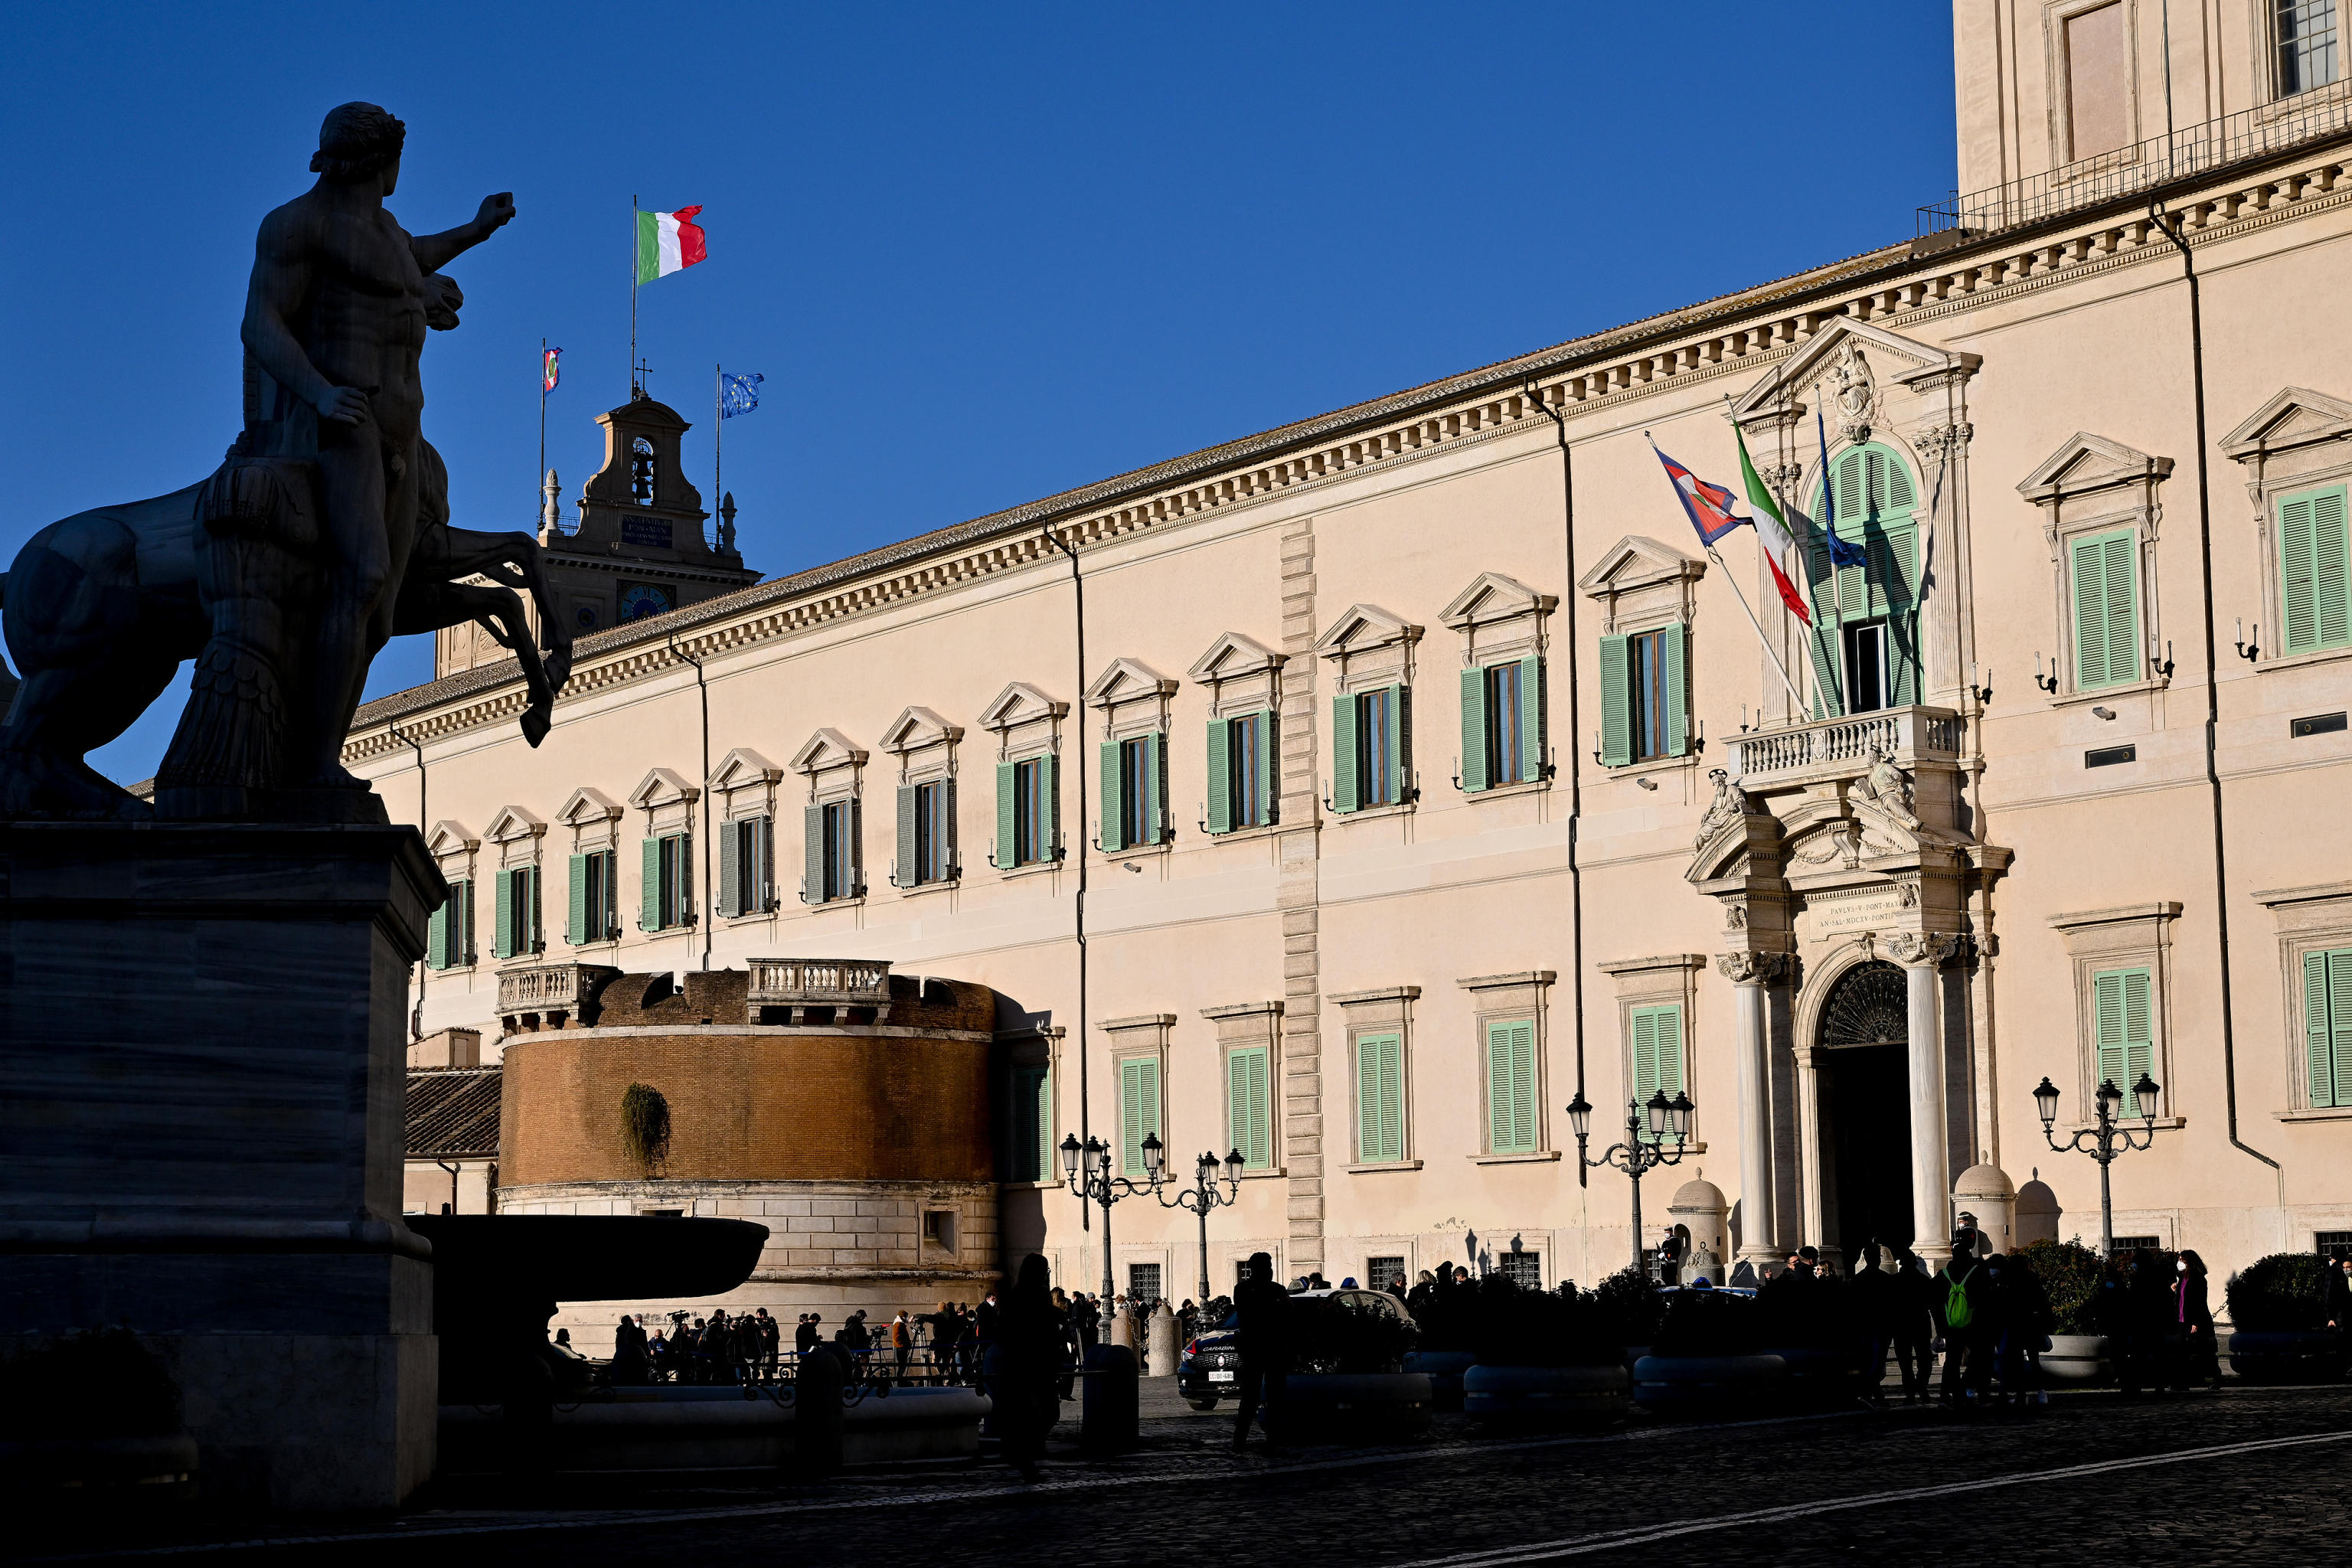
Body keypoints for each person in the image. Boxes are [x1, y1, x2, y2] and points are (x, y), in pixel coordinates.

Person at [239, 104, 516, 798]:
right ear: (380, 162)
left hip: (400, 428)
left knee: (385, 609)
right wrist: (320, 393)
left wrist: (476, 232)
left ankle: (320, 751)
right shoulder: (295, 225)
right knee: (361, 579)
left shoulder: (385, 231)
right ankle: (311, 767)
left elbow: (411, 260)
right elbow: (260, 325)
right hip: (347, 423)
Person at [993, 1254, 1067, 1483]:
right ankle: (1023, 1455)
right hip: (1035, 1362)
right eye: (1044, 1270)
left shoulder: (1014, 1294)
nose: (1046, 1274)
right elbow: (1041, 1321)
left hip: (1018, 1362)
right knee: (1046, 1412)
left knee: (1027, 1414)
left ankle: (1021, 1456)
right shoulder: (1038, 1293)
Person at [1232, 1251, 1292, 1453]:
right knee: (1252, 1397)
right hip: (1261, 1348)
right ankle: (1241, 1441)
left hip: (1267, 1349)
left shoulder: (1250, 1290)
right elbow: (1274, 1314)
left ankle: (1270, 1439)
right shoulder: (1247, 1290)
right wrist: (1273, 1307)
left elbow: (1285, 1313)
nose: (1270, 1270)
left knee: (1272, 1397)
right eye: (1267, 1267)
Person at [1890, 1247, 1938, 1403]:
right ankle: (1921, 1388)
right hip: (1919, 1324)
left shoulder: (1894, 1281)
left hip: (1902, 1326)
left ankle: (1911, 1392)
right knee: (1924, 1361)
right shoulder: (1924, 1281)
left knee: (1905, 1363)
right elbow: (1933, 1306)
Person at [2174, 1250, 2218, 1390]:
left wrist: (2196, 1322)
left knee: (2204, 1352)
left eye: (2183, 1260)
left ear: (2189, 1262)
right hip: (2182, 1320)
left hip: (2195, 1321)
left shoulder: (2198, 1278)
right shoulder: (2182, 1277)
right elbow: (2182, 1298)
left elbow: (2199, 1301)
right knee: (2182, 1353)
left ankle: (2216, 1377)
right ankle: (2182, 1383)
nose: (2180, 1263)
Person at [890, 1310, 913, 1382]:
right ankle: (899, 1380)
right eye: (906, 1317)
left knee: (902, 1366)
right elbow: (896, 1338)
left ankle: (900, 1380)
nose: (907, 1318)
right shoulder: (898, 1324)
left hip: (901, 1348)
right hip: (901, 1349)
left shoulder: (900, 1324)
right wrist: (903, 1346)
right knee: (902, 1366)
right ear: (903, 1317)